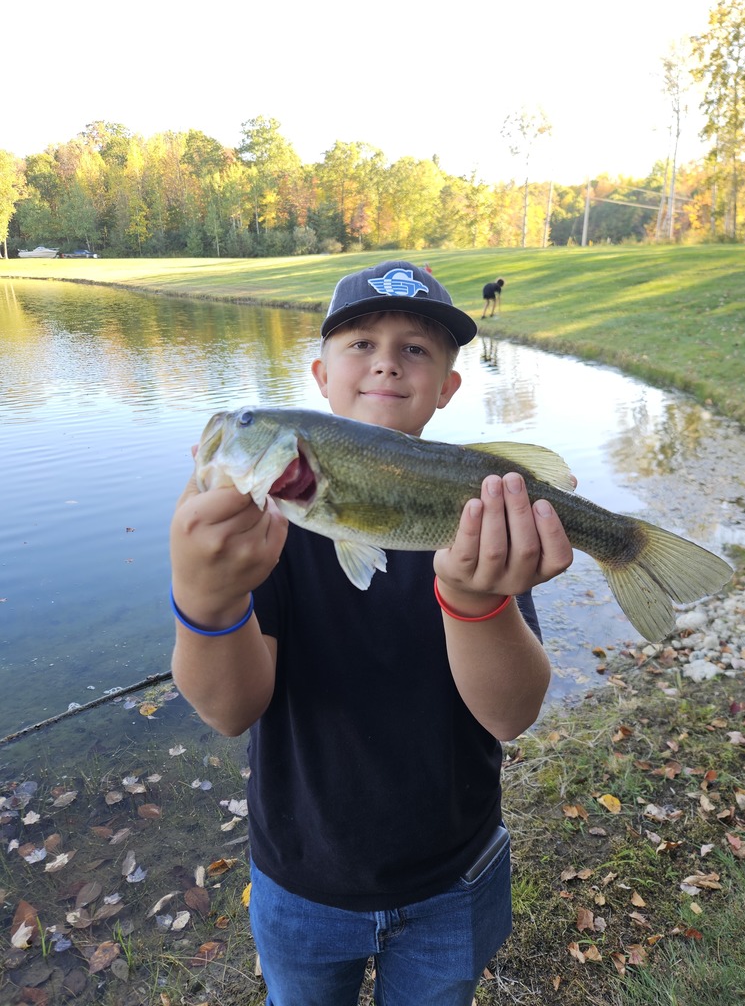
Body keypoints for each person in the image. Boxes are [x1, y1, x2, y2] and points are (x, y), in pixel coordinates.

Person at [169, 260, 573, 1006]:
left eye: (416, 349)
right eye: (361, 343)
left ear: (448, 387)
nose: (387, 359)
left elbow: (511, 715)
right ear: (321, 376)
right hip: (302, 880)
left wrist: (472, 598)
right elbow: (230, 710)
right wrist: (206, 596)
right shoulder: (268, 534)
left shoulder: (483, 516)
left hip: (455, 876)